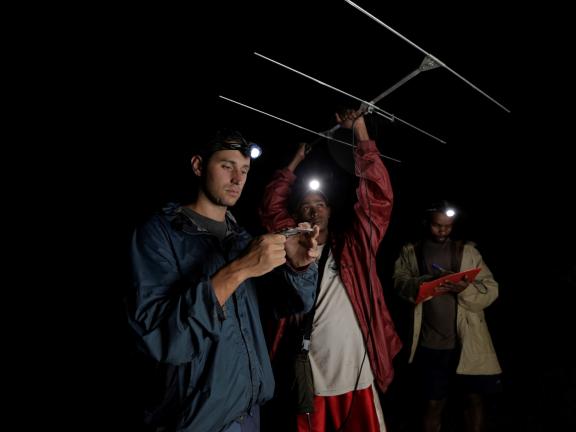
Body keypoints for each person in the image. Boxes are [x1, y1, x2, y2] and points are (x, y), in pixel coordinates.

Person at [126, 129, 320, 432]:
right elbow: (164, 338)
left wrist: (297, 267)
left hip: (249, 413)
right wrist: (240, 269)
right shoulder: (158, 235)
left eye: (244, 170)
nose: (237, 179)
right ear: (198, 166)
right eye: (226, 166)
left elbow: (291, 303)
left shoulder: (241, 239)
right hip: (198, 420)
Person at [259, 109, 402, 431]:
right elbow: (270, 206)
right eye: (306, 206)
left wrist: (361, 132)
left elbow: (378, 199)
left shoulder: (354, 245)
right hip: (312, 371)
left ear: (330, 211)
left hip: (356, 370)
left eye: (319, 204)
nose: (313, 209)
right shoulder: (287, 244)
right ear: (296, 214)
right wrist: (294, 161)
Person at [393, 201, 502, 432]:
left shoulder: (467, 251)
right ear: (426, 223)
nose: (443, 231)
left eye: (448, 226)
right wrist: (422, 283)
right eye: (437, 226)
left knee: (473, 400)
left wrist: (465, 289)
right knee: (432, 404)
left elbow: (491, 289)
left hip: (467, 342)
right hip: (430, 343)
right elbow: (399, 282)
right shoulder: (411, 251)